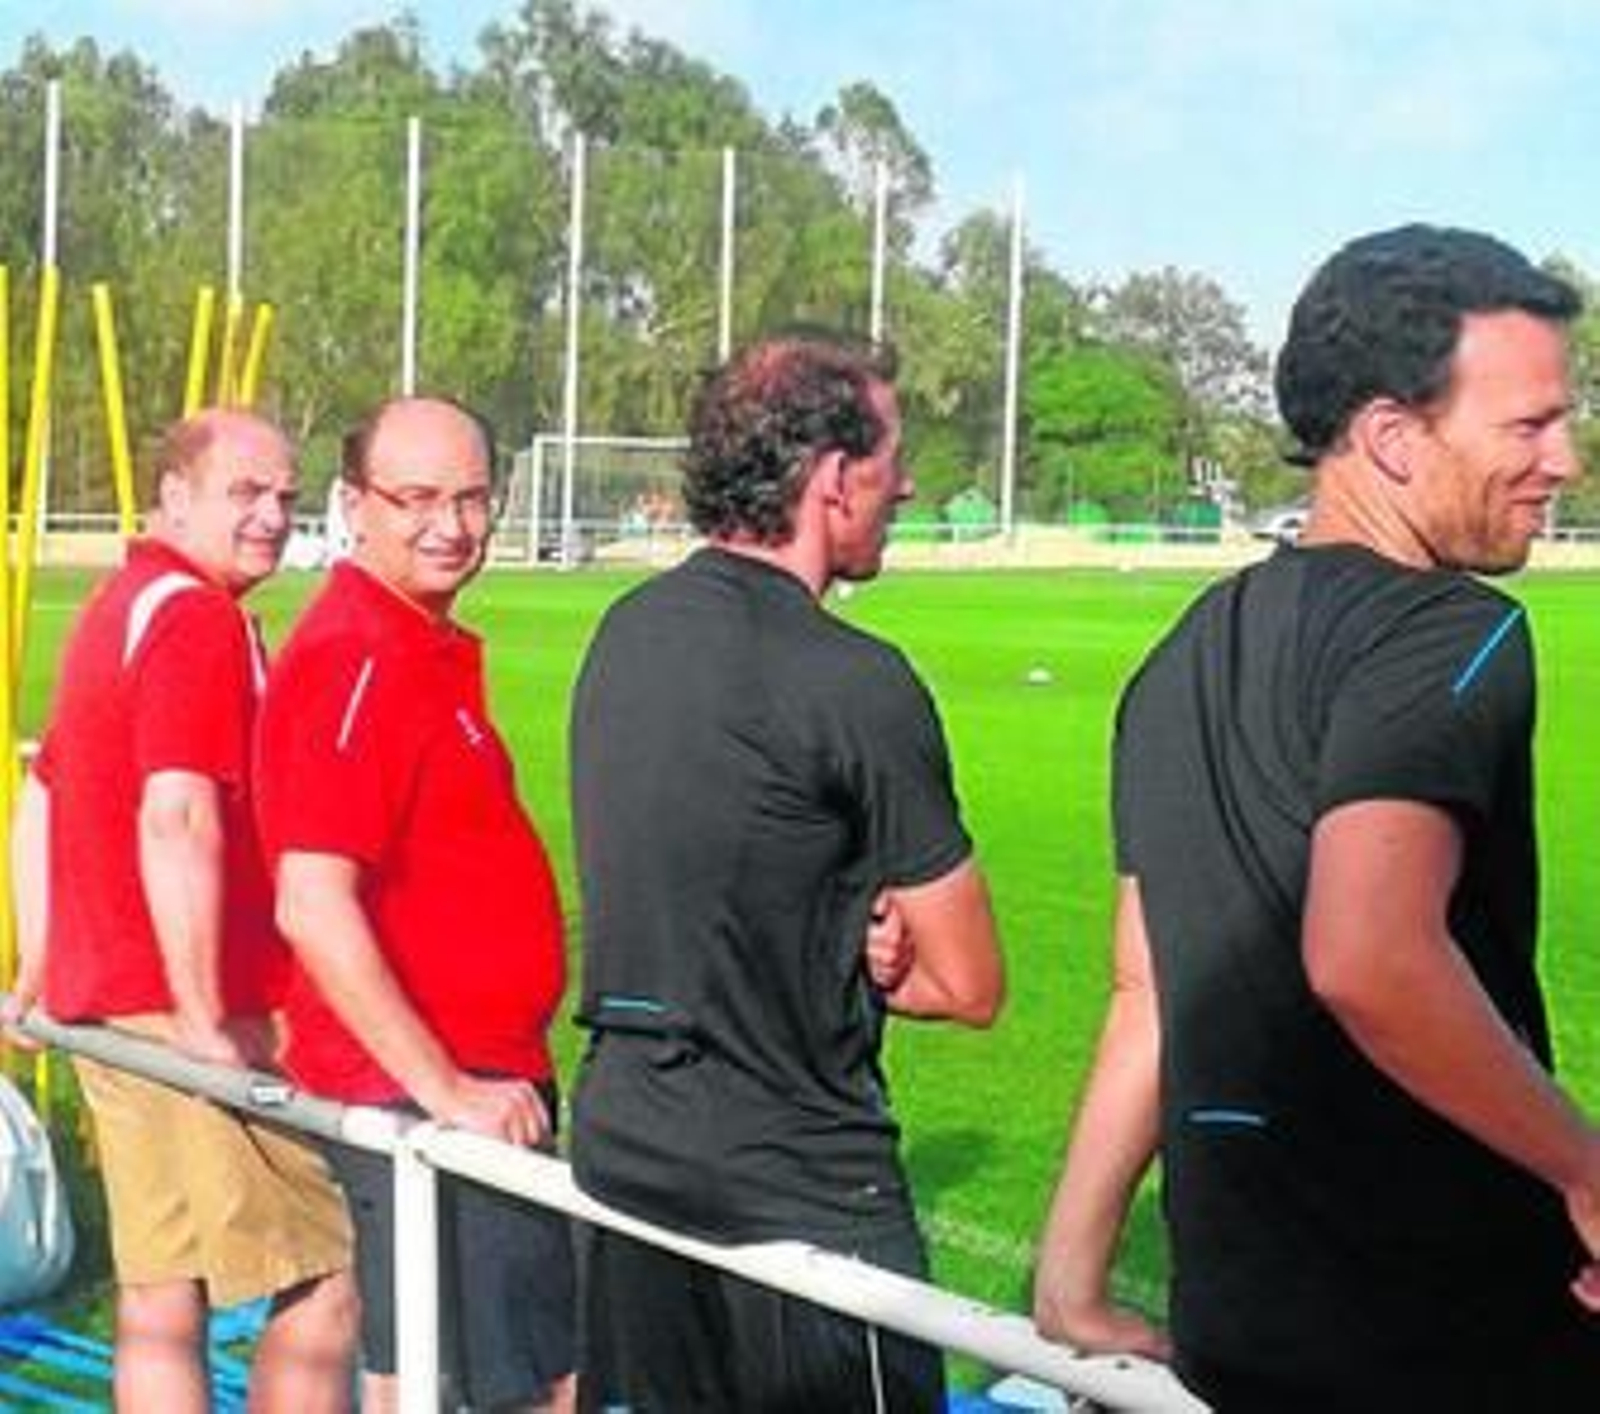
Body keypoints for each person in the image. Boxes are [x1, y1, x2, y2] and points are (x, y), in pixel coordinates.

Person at [1032, 224, 1600, 1412]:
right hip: (1441, 1325)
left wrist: (1068, 1279)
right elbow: (1367, 952)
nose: (1568, 460)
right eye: (1530, 424)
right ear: (1391, 437)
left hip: (1244, 1320)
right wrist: (1585, 1168)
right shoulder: (1454, 631)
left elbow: (1149, 986)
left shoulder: (1179, 656)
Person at [569, 331, 1006, 1412]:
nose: (905, 483)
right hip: (794, 1176)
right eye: (890, 457)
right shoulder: (852, 680)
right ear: (828, 476)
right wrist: (879, 954)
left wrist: (841, 930)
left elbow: (715, 871)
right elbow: (970, 983)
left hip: (624, 1144)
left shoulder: (623, 634)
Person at [5, 409, 358, 1413]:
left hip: (100, 1003)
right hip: (171, 1009)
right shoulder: (197, 620)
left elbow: (44, 791)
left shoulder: (119, 601)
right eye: (244, 492)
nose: (272, 516)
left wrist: (42, 966)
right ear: (172, 497)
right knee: (323, 1277)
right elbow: (179, 813)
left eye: (286, 496)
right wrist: (207, 1016)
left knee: (163, 1292)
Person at [254, 395, 575, 1414]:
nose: (450, 523)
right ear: (355, 504)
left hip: (463, 1079)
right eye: (417, 498)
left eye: (473, 497)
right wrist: (445, 1087)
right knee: (523, 1389)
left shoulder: (414, 642)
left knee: (425, 1374)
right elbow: (312, 899)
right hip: (436, 1094)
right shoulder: (360, 652)